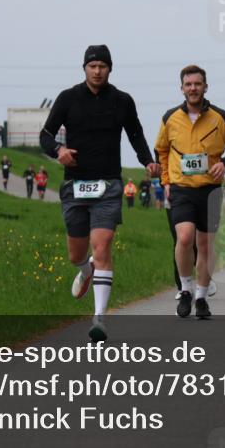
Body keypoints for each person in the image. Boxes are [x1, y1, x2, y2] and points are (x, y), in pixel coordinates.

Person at [40, 45, 158, 342]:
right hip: (75, 184)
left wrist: (148, 160)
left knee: (102, 245)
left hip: (108, 184)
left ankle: (99, 319)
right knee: (76, 254)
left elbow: (135, 134)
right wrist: (59, 151)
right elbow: (46, 135)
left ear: (110, 69)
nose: (97, 71)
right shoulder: (68, 98)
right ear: (84, 68)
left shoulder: (122, 101)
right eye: (92, 66)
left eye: (103, 66)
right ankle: (85, 268)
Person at [155, 64, 225, 320]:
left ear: (206, 87)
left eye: (197, 84)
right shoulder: (169, 118)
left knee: (205, 244)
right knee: (184, 238)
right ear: (181, 88)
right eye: (188, 84)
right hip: (181, 188)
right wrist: (166, 181)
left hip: (210, 190)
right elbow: (160, 150)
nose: (193, 88)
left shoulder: (221, 117)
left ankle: (202, 298)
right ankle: (185, 289)